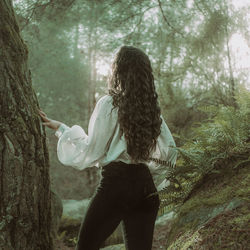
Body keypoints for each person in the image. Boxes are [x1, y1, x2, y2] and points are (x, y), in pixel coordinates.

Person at [39, 46, 177, 250]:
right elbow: (170, 151)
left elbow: (91, 150)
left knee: (85, 247)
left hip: (116, 185)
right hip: (146, 188)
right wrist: (150, 181)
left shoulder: (110, 104)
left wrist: (62, 129)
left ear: (118, 71)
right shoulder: (152, 111)